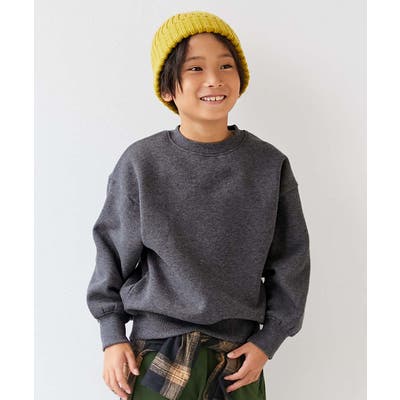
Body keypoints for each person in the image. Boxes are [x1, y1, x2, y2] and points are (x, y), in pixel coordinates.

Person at [86, 10, 311, 400]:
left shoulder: (268, 165)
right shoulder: (142, 163)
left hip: (237, 359)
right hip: (157, 353)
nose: (214, 79)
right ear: (167, 88)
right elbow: (111, 254)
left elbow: (291, 261)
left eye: (226, 65)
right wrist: (112, 337)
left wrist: (269, 340)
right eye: (195, 68)